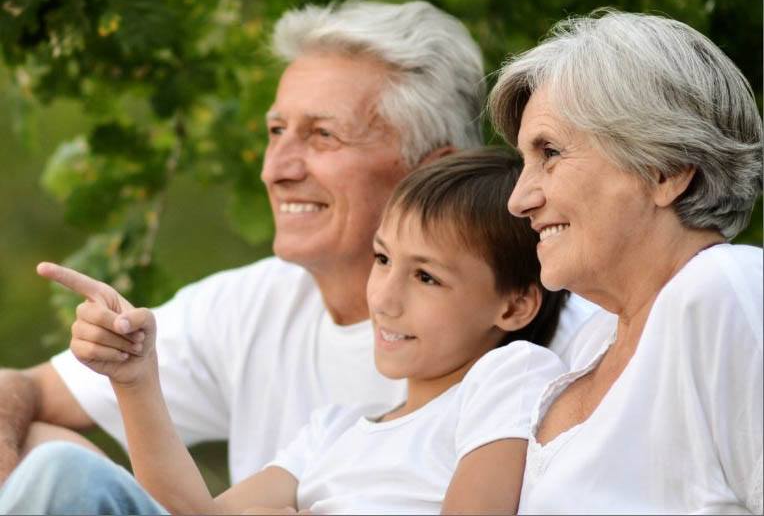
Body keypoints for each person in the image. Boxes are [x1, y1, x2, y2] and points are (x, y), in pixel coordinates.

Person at [0, 0, 599, 484]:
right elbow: (21, 388)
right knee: (41, 449)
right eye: (277, 131)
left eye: (322, 136)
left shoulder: (560, 340)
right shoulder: (253, 313)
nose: (276, 168)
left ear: (431, 168)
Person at [1, 150, 567, 514]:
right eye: (382, 259)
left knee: (59, 471)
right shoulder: (333, 431)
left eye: (425, 276)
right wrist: (135, 380)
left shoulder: (509, 376)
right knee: (59, 465)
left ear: (515, 306)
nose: (385, 298)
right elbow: (195, 513)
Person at [481, 9, 762, 513]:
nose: (519, 199)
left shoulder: (725, 290)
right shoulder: (590, 342)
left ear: (665, 170)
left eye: (550, 151)